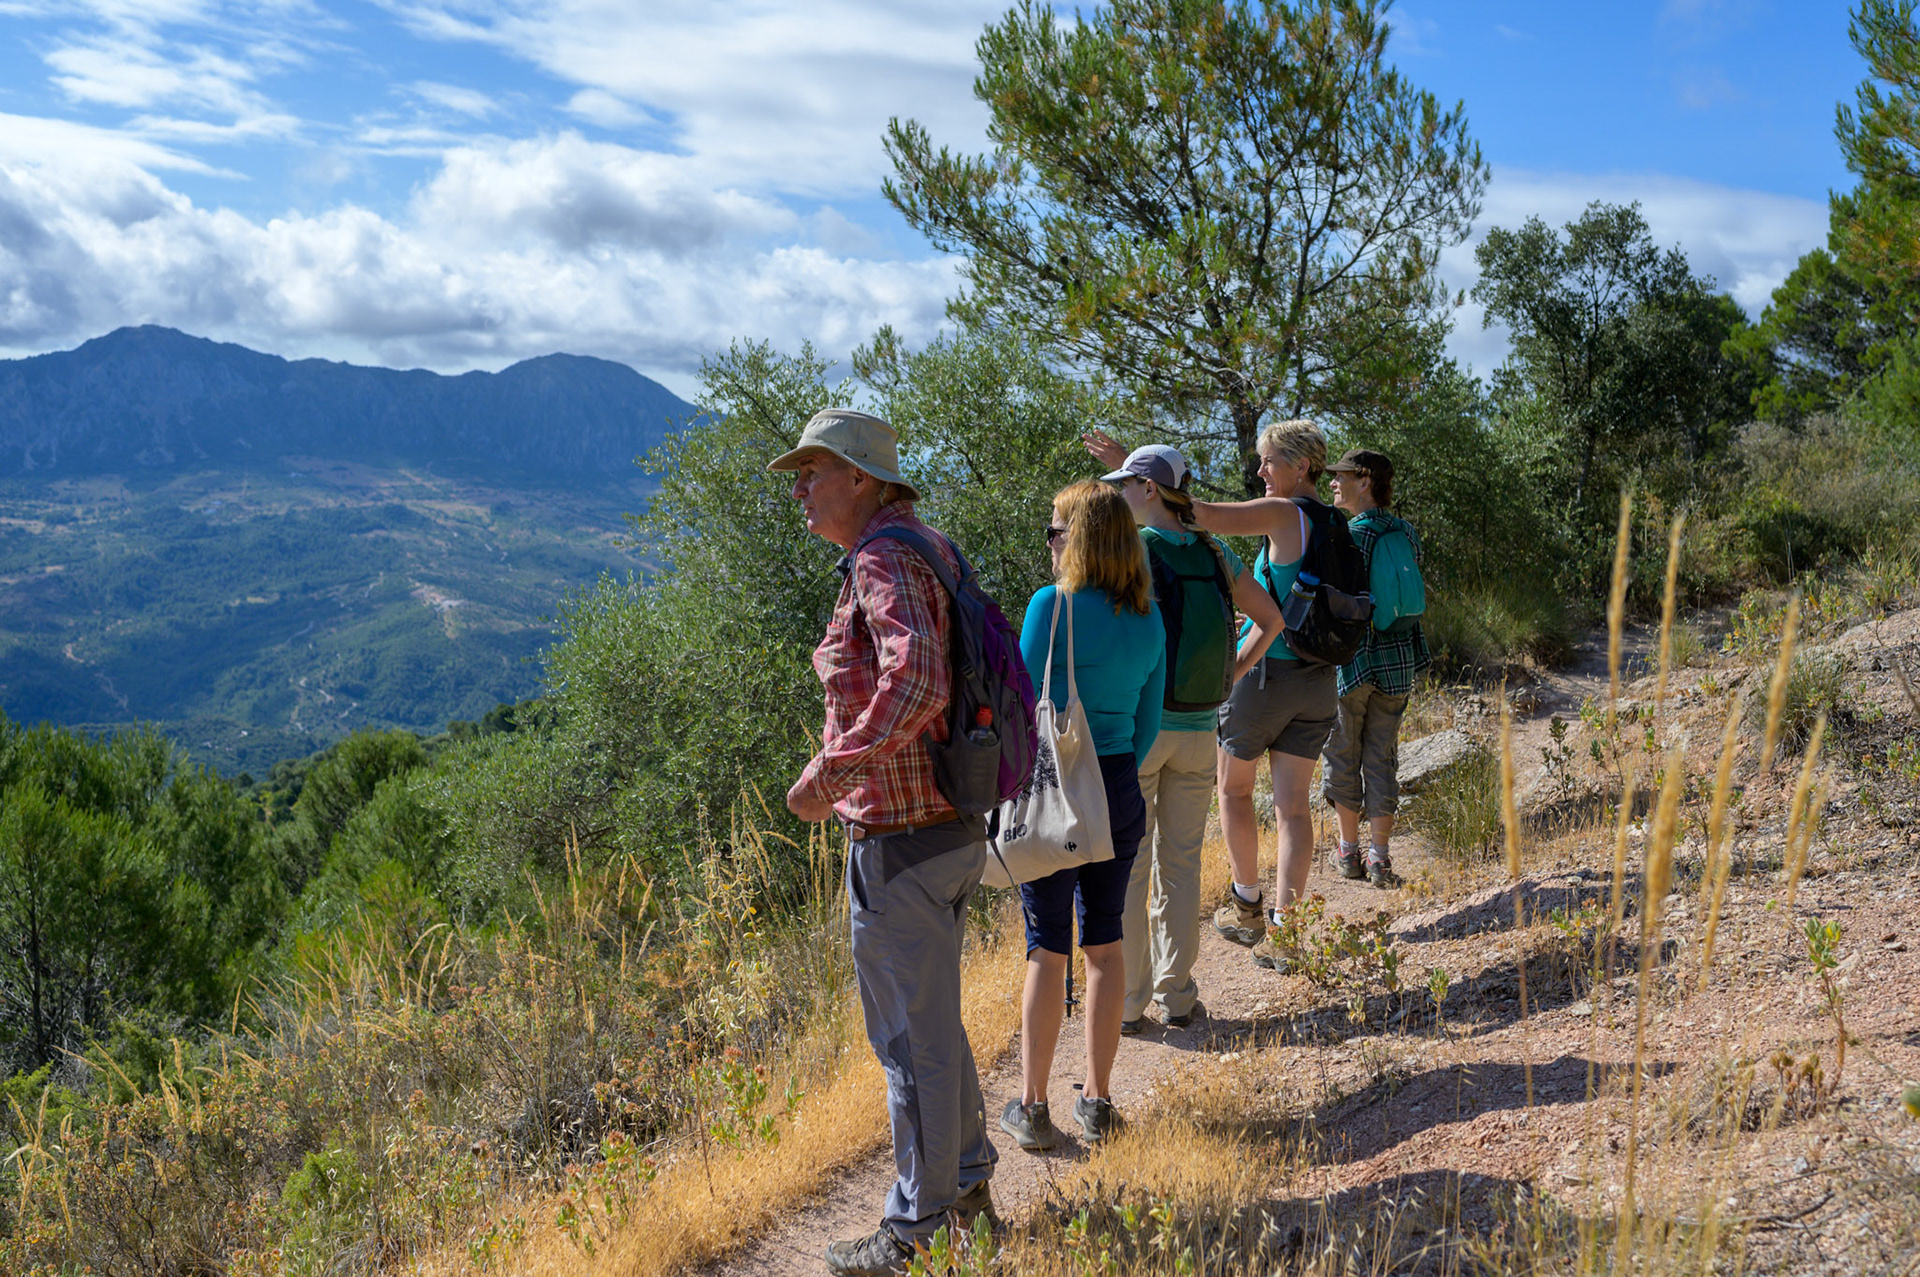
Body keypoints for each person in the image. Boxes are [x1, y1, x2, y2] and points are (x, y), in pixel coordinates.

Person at [770, 408, 996, 1277]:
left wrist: (828, 775)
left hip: (901, 836)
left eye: (811, 472)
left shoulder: (881, 557)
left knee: (909, 1043)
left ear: (860, 477)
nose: (799, 489)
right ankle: (966, 1188)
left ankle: (916, 1228)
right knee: (933, 1030)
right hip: (944, 825)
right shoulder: (922, 544)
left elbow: (919, 680)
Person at [1091, 442, 1284, 1033]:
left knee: (1130, 863)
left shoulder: (1133, 552)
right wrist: (1231, 676)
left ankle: (1126, 1005)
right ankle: (1178, 997)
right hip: (1201, 729)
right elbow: (1272, 619)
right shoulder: (1213, 549)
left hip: (1140, 731)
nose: (1118, 494)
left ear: (1149, 491)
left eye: (1125, 484)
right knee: (1180, 864)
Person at [998, 480, 1164, 1153]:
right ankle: (1097, 1102)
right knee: (1105, 942)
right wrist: (1113, 769)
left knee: (1046, 942)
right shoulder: (1149, 616)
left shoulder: (1051, 606)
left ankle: (1034, 1107)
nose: (1050, 540)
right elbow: (1148, 724)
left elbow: (1020, 705)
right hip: (1119, 786)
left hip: (1058, 790)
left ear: (1082, 539)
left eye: (1056, 528)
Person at [1187, 420, 1340, 971]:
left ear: (1301, 466)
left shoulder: (1284, 513)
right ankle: (1287, 929)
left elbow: (1201, 514)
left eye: (1268, 461)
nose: (1260, 471)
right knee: (1294, 808)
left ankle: (1247, 903)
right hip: (1320, 682)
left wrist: (1142, 474)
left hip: (1267, 681)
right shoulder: (1333, 522)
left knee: (1232, 792)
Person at [1323, 448, 1430, 887]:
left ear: (1364, 481)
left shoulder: (1349, 535)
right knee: (1382, 757)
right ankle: (1380, 860)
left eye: (1341, 476)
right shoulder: (1407, 531)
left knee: (1343, 753)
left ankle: (1349, 854)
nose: (1333, 482)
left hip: (1355, 663)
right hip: (1399, 660)